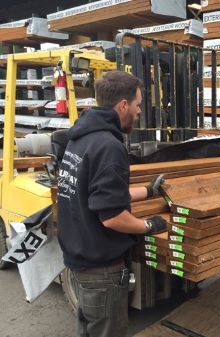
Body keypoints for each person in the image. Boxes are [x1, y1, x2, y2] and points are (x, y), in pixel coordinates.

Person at [57, 70, 167, 337]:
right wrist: (148, 225)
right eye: (139, 105)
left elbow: (95, 194)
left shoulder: (80, 137)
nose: (140, 112)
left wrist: (148, 190)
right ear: (123, 106)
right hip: (102, 274)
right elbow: (112, 216)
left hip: (80, 266)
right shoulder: (108, 146)